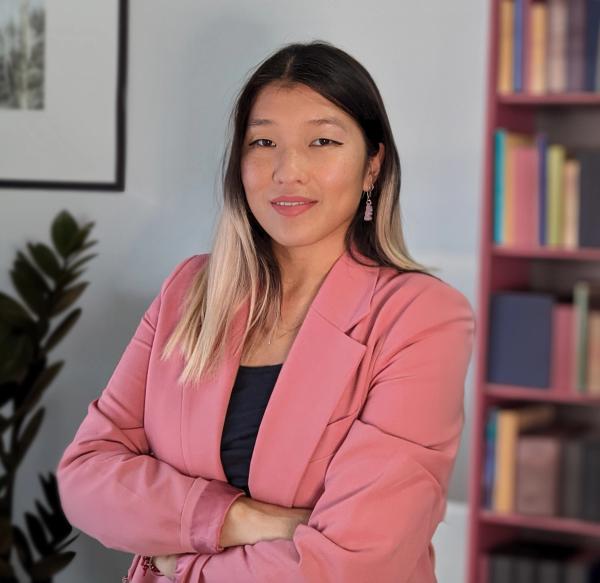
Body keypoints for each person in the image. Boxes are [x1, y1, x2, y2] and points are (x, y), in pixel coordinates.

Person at [56, 40, 476, 582]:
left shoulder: (421, 317)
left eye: (322, 141)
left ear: (372, 166)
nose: (287, 170)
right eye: (264, 142)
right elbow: (85, 476)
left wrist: (177, 565)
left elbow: (351, 564)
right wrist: (236, 519)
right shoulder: (191, 291)